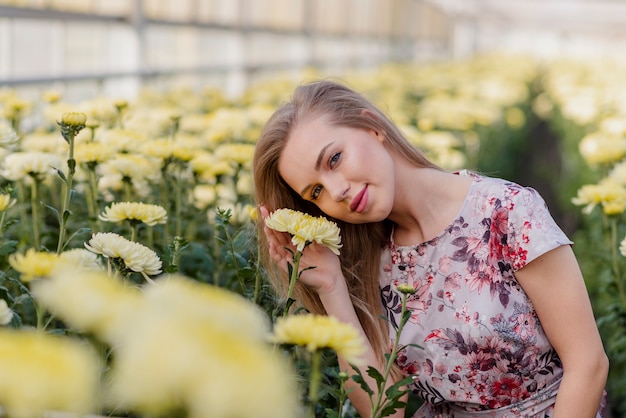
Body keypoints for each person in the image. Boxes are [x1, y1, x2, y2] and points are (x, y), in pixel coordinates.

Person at [252, 79, 609, 418]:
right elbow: (384, 411)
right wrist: (332, 289)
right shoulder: (367, 260)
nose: (336, 191)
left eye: (334, 159)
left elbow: (587, 363)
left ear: (373, 127)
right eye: (315, 192)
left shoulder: (505, 211)